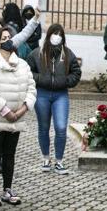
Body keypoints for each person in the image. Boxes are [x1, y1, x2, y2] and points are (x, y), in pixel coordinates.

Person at [0, 27, 36, 206]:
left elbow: (31, 88)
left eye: (10, 37)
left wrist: (23, 109)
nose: (9, 40)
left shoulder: (23, 64)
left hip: (16, 119)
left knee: (9, 155)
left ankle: (7, 189)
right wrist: (6, 111)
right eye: (4, 38)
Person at [27, 24, 81, 175]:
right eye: (54, 33)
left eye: (60, 34)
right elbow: (28, 71)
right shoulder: (37, 54)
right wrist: (42, 79)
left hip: (60, 95)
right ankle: (45, 158)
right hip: (42, 94)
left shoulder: (68, 54)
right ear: (49, 34)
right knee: (43, 127)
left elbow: (76, 73)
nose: (57, 36)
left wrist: (64, 81)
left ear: (63, 37)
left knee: (61, 127)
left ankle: (59, 161)